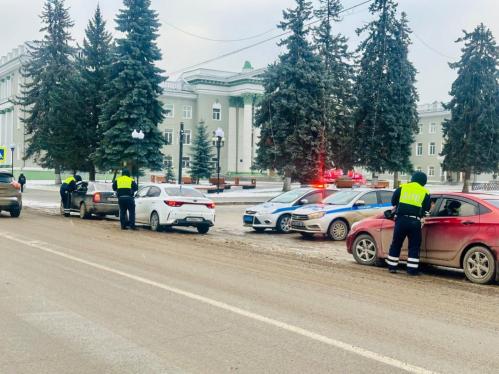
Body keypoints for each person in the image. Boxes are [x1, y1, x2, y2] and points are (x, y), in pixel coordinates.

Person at [386, 171, 431, 275]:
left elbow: (393, 202)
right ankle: (412, 270)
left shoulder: (402, 188)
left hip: (401, 220)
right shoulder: (425, 192)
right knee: (414, 245)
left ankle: (392, 267)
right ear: (424, 181)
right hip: (415, 222)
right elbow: (426, 209)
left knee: (396, 243)